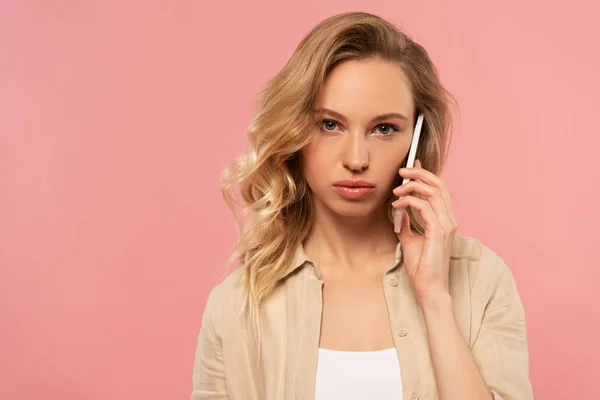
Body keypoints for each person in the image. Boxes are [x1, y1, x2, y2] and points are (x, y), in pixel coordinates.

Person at [191, 11, 533, 400]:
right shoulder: (237, 306)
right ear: (294, 132)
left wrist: (435, 299)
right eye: (330, 125)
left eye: (384, 129)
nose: (356, 159)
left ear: (416, 139)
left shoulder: (481, 280)